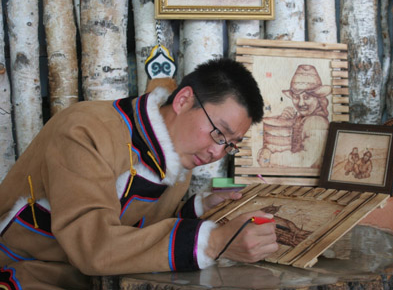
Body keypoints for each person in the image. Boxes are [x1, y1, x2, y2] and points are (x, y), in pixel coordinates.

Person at [0, 58, 278, 289]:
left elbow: (133, 225)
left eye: (229, 145)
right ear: (183, 100)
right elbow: (93, 246)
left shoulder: (179, 159)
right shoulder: (85, 130)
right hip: (21, 273)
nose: (217, 153)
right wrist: (214, 242)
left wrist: (200, 208)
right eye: (219, 133)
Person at [257, 64, 331, 168]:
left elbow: (306, 160)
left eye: (306, 97)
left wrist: (271, 158)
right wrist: (284, 119)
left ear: (318, 98)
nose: (300, 103)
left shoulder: (317, 122)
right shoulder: (303, 118)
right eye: (296, 97)